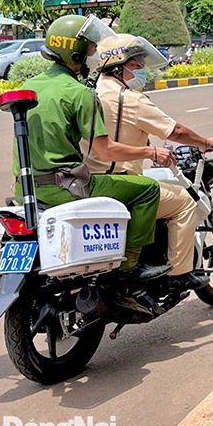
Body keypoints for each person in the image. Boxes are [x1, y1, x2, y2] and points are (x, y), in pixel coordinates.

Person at [18, 15, 175, 278]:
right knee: (147, 189)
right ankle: (130, 267)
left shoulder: (29, 86)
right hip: (66, 188)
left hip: (28, 187)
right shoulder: (80, 93)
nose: (95, 55)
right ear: (76, 54)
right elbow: (105, 151)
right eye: (91, 49)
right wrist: (151, 152)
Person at [85, 33, 213, 291]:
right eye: (135, 64)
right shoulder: (131, 100)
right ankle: (178, 275)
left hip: (87, 181)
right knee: (183, 202)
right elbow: (176, 132)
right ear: (117, 65)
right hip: (121, 181)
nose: (140, 69)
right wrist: (204, 142)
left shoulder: (88, 94)